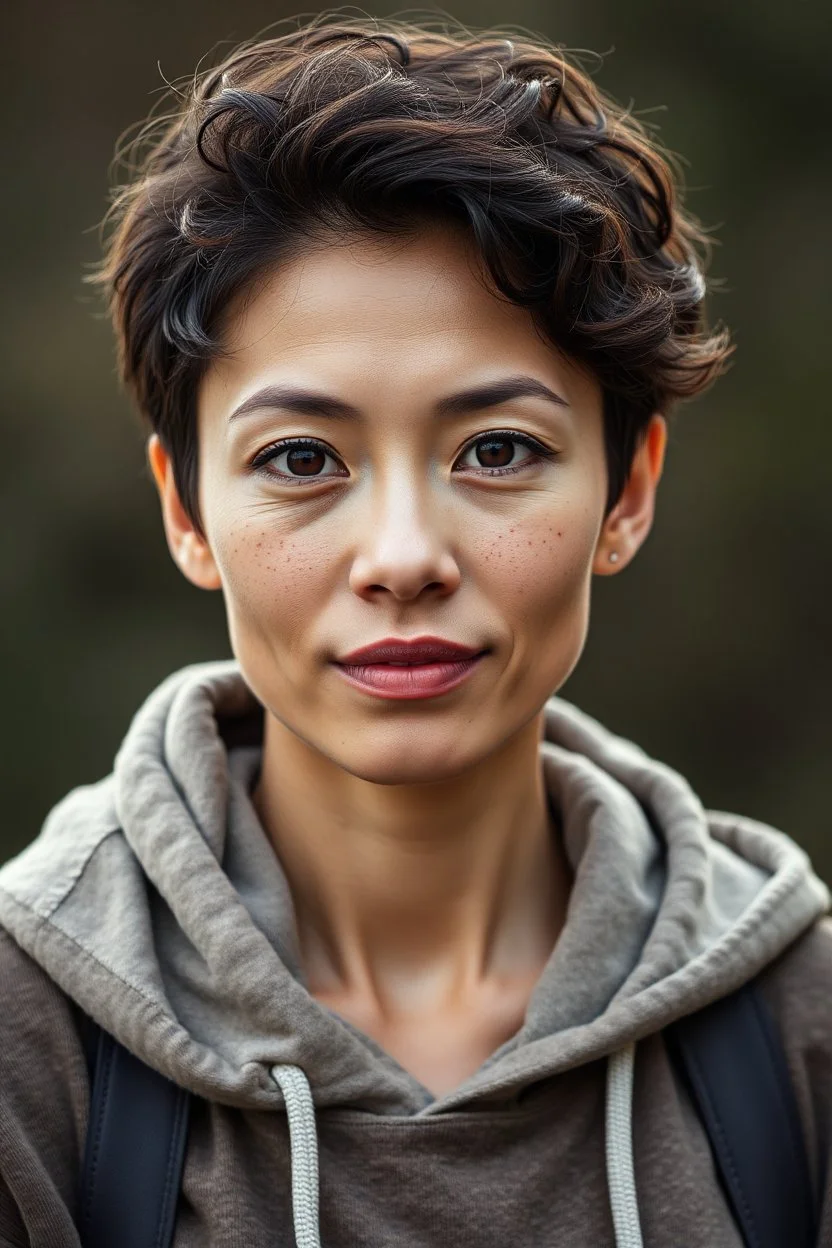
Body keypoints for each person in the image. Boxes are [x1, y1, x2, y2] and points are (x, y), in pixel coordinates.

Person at [0, 12, 829, 1247]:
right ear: (185, 509)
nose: (402, 559)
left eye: (497, 451)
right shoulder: (31, 1037)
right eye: (301, 458)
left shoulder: (795, 1024)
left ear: (628, 490)